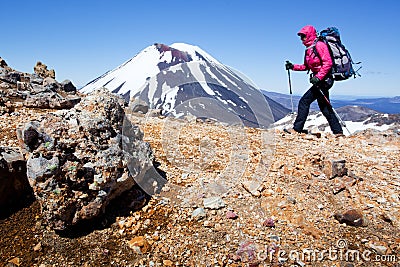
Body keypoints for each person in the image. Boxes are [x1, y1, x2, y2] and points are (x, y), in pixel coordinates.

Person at [285, 25, 344, 137]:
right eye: (301, 37)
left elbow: (328, 63)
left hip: (325, 80)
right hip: (320, 80)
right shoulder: (309, 49)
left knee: (304, 102)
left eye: (303, 36)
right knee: (325, 107)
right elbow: (306, 66)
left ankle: (297, 129)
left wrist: (318, 77)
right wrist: (292, 66)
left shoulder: (319, 45)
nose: (302, 39)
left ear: (309, 35)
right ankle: (338, 132)